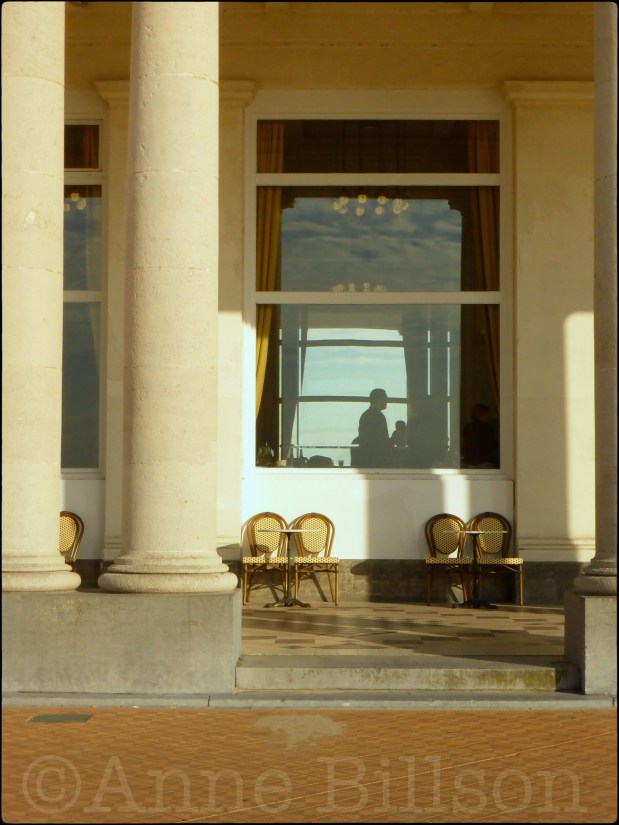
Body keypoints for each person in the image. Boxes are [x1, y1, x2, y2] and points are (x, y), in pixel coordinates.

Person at [355, 388, 392, 468]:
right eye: (385, 398)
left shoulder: (366, 415)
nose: (387, 401)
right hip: (376, 459)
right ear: (379, 399)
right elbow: (381, 440)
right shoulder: (378, 416)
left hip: (368, 458)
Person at [462, 403, 499, 468]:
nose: (489, 417)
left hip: (469, 461)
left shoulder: (467, 427)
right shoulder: (487, 428)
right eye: (487, 415)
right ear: (481, 415)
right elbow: (493, 444)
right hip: (484, 462)